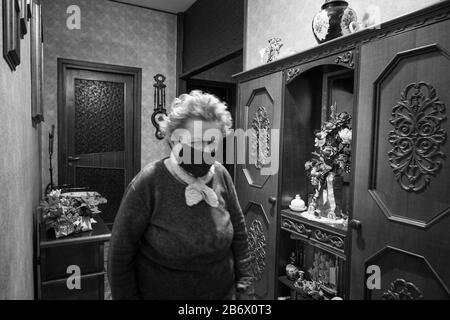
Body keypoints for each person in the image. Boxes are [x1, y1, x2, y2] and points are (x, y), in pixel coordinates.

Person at [107, 90, 255, 300]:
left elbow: (240, 239)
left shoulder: (222, 175)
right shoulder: (149, 181)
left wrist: (245, 291)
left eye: (211, 141)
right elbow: (120, 255)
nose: (204, 149)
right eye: (194, 142)